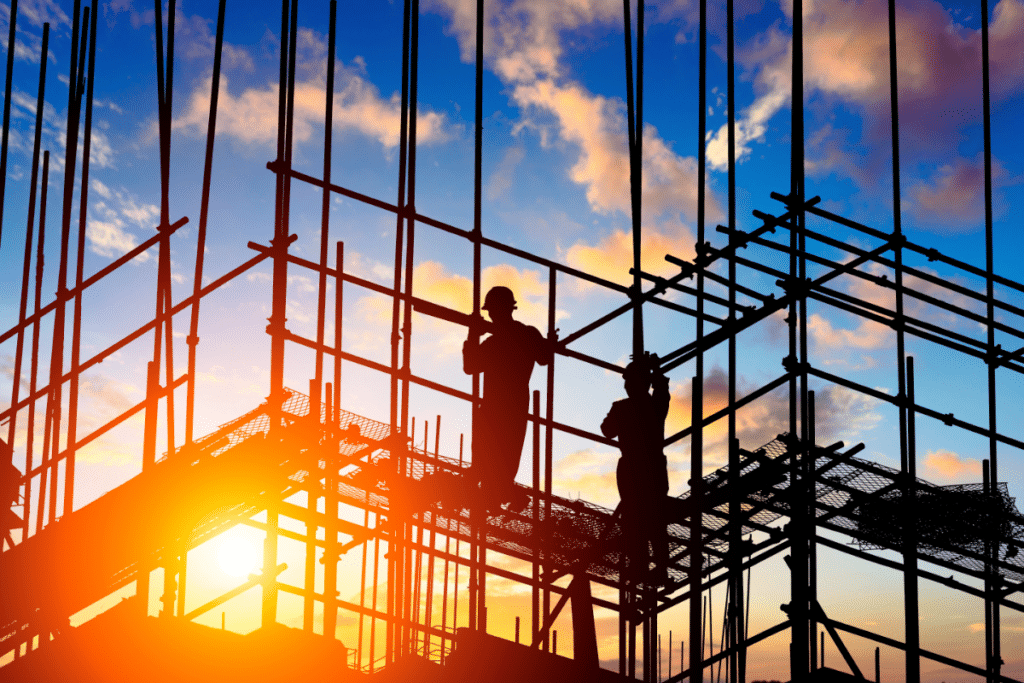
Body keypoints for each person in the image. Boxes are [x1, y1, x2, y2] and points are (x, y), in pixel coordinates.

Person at [463, 286, 551, 510]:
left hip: (496, 407)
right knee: (502, 456)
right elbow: (544, 358)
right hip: (513, 406)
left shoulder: (496, 342)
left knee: (490, 456)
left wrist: (473, 334)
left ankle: (494, 495)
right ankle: (497, 494)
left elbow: (470, 366)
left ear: (500, 310)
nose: (492, 316)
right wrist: (547, 343)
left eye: (492, 311)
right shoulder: (526, 334)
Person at [600, 352, 670, 585]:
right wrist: (656, 369)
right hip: (650, 468)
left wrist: (654, 370)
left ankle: (643, 568)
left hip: (634, 468)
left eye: (629, 381)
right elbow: (662, 390)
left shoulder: (622, 408)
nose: (628, 386)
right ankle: (656, 569)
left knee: (638, 521)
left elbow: (607, 430)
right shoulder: (654, 404)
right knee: (652, 521)